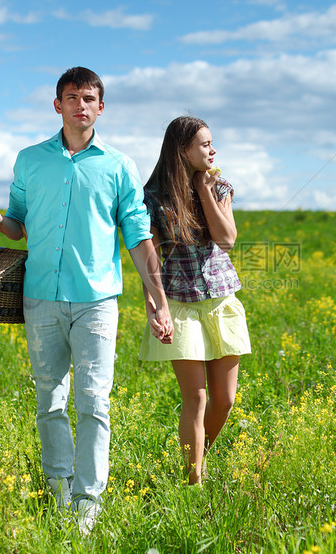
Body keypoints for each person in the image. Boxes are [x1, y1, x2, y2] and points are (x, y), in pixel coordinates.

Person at [0, 67, 173, 533]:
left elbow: (138, 237)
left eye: (89, 98)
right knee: (50, 400)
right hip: (40, 298)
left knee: (94, 401)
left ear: (101, 108)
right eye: (72, 97)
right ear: (57, 105)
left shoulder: (119, 166)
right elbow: (18, 224)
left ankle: (87, 506)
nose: (81, 104)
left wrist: (157, 300)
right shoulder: (29, 160)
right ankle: (58, 495)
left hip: (97, 301)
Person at [138, 116, 251, 486]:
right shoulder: (152, 197)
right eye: (205, 145)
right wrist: (157, 308)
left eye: (212, 143)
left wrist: (204, 189)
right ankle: (193, 484)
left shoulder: (219, 187)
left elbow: (227, 239)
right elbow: (149, 257)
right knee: (197, 398)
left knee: (225, 400)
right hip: (180, 302)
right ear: (182, 150)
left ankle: (197, 457)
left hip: (221, 299)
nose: (213, 150)